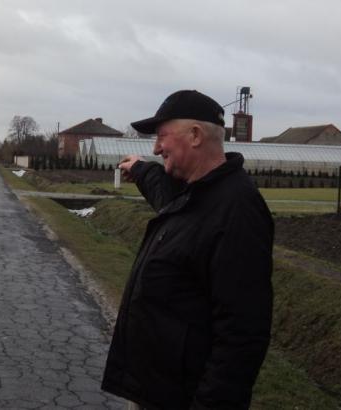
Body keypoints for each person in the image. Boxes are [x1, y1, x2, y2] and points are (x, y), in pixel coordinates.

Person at [101, 90, 274, 410]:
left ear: (195, 135)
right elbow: (163, 192)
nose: (156, 148)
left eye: (162, 136)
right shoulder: (193, 195)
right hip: (155, 391)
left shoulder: (237, 212)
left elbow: (241, 336)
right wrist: (140, 169)